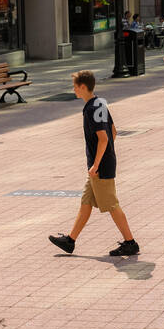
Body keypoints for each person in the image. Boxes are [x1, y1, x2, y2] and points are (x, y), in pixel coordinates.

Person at [48, 70, 138, 257]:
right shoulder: (100, 103)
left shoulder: (91, 108)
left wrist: (96, 164)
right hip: (103, 163)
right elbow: (113, 132)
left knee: (112, 205)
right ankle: (70, 241)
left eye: (75, 86)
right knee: (86, 202)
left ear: (82, 87)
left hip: (100, 167)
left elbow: (104, 138)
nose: (73, 89)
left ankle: (130, 242)